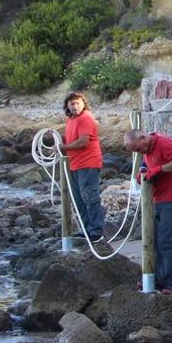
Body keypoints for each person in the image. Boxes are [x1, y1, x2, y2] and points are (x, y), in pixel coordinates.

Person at [124, 129, 172, 294]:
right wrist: (143, 171)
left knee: (166, 241)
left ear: (143, 138)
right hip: (156, 199)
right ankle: (159, 278)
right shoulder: (147, 148)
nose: (140, 152)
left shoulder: (163, 143)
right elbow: (147, 164)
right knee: (155, 241)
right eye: (136, 151)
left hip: (170, 197)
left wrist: (158, 170)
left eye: (139, 149)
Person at [60, 92, 104, 242]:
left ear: (84, 103)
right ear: (67, 105)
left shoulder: (85, 118)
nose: (75, 106)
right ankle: (87, 229)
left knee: (89, 196)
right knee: (78, 198)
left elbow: (83, 142)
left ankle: (96, 230)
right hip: (74, 164)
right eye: (72, 103)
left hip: (88, 163)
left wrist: (63, 147)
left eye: (78, 103)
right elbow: (71, 140)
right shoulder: (71, 120)